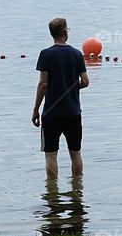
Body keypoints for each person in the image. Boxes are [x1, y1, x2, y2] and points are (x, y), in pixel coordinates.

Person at [32, 17, 89, 178]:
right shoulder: (77, 54)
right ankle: (77, 191)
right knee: (75, 152)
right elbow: (85, 81)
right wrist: (70, 88)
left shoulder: (46, 54)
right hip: (73, 112)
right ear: (65, 33)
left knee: (51, 154)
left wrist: (35, 110)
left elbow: (43, 84)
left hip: (51, 113)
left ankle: (52, 192)